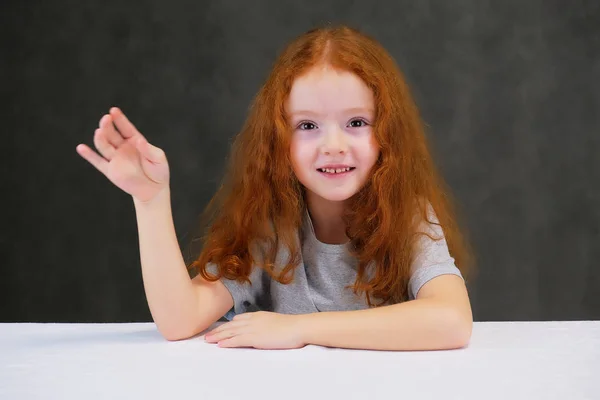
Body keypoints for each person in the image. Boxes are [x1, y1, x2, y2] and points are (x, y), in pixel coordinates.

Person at [76, 24, 475, 351]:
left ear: (388, 134)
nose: (333, 145)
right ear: (277, 141)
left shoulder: (408, 215)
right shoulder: (268, 228)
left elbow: (452, 321)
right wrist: (150, 201)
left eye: (356, 122)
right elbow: (180, 320)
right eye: (307, 126)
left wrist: (298, 329)